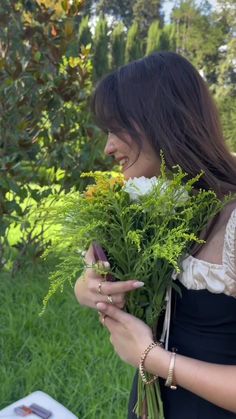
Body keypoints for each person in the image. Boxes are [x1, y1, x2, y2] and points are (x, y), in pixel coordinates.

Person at [74, 52, 236, 418]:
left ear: (163, 121)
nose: (108, 147)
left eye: (118, 128)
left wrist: (152, 358)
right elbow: (91, 284)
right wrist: (91, 286)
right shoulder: (154, 205)